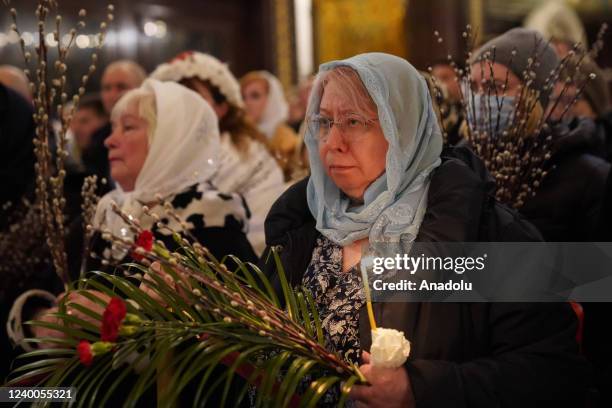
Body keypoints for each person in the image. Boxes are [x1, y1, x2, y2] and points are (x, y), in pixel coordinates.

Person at [261, 52, 587, 407]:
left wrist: (420, 390)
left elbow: (551, 373)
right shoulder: (303, 225)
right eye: (324, 122)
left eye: (354, 122)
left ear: (403, 129)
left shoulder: (487, 233)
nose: (333, 142)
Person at [8, 79, 257, 351]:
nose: (109, 140)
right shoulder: (107, 213)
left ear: (170, 140)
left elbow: (232, 339)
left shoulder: (210, 222)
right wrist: (44, 321)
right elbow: (49, 292)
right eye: (114, 128)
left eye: (128, 128)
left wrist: (123, 317)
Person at [151, 52, 285, 255]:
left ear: (221, 108)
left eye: (192, 97)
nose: (180, 106)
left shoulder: (250, 158)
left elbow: (265, 234)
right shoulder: (156, 156)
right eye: (173, 98)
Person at [83, 60, 146, 184]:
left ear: (141, 88)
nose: (113, 95)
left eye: (121, 87)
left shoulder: (153, 134)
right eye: (107, 88)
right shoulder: (97, 139)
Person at [240, 70, 301, 178]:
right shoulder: (238, 135)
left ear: (271, 99)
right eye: (243, 97)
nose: (247, 102)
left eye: (255, 96)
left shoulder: (287, 140)